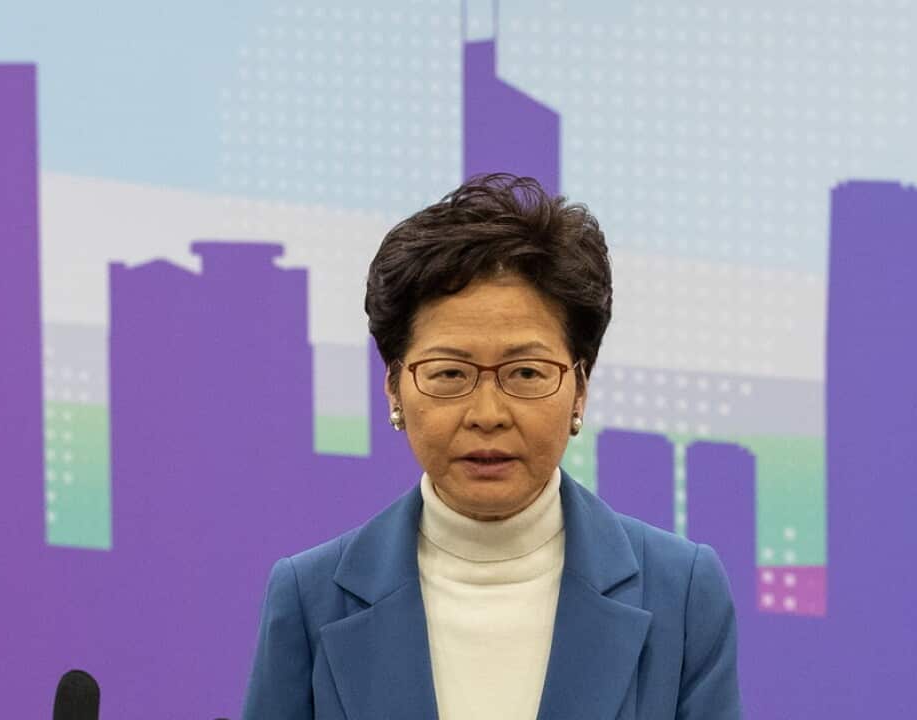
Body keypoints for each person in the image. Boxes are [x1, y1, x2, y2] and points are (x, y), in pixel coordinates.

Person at [241, 173, 742, 719]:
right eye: (450, 373)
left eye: (526, 372)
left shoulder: (681, 592)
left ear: (580, 387)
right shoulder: (311, 598)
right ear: (394, 386)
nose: (487, 415)